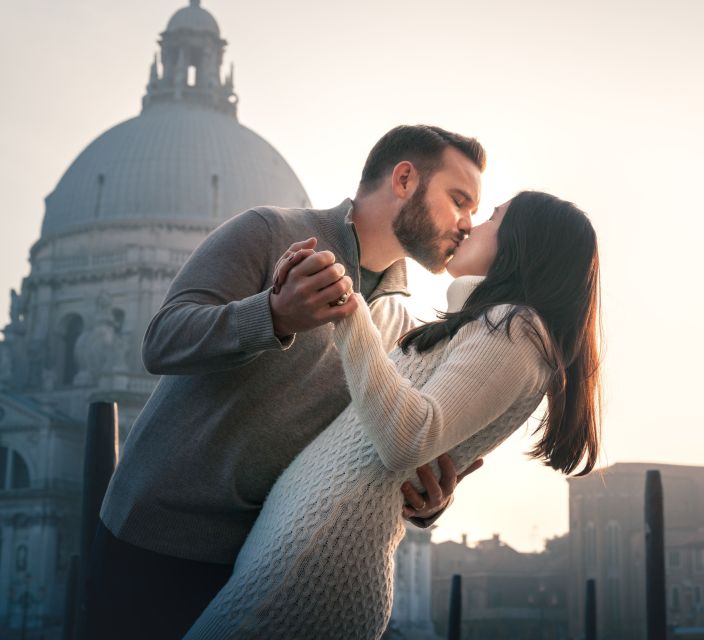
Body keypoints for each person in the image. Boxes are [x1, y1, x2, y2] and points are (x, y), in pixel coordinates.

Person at [85, 125, 488, 639]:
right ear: (405, 179)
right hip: (153, 544)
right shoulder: (269, 231)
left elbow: (371, 450)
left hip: (268, 570)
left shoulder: (402, 328)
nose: (468, 225)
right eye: (459, 201)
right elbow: (162, 340)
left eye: (475, 211)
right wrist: (273, 316)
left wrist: (427, 502)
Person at [184, 190, 603, 639]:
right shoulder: (486, 325)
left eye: (492, 219)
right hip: (301, 553)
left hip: (317, 561)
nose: (470, 226)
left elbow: (408, 439)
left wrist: (348, 310)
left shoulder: (515, 328)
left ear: (522, 244)